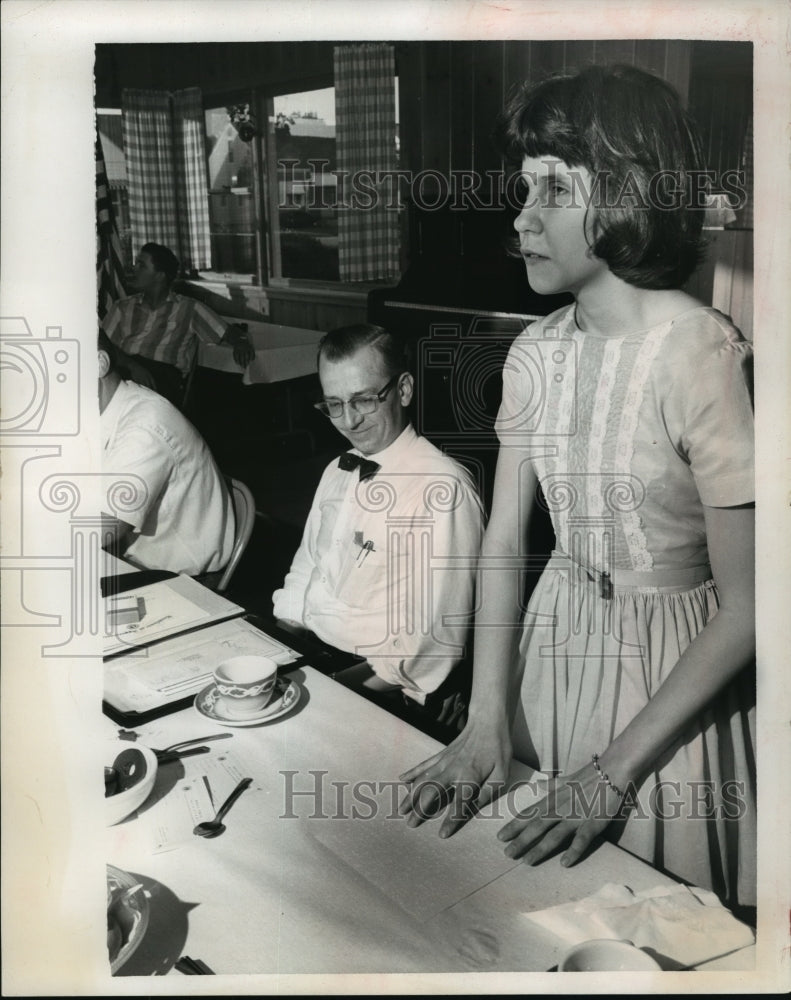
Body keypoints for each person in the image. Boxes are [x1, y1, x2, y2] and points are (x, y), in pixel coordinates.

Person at [400, 64, 756, 910]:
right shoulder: (533, 351)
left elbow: (753, 606)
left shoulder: (701, 353)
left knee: (641, 918)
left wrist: (612, 773)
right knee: (521, 904)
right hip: (548, 649)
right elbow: (500, 543)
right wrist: (486, 714)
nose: (521, 217)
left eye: (552, 189)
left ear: (630, 192)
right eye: (522, 188)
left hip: (665, 684)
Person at [272, 324, 485, 736]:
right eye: (333, 404)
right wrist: (280, 649)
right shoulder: (338, 469)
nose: (348, 420)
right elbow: (305, 571)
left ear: (403, 390)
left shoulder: (441, 491)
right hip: (314, 655)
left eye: (363, 400)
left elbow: (425, 647)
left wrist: (327, 692)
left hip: (383, 686)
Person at [99, 330, 235, 576]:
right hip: (131, 560)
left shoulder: (144, 425)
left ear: (100, 364)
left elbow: (106, 525)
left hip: (177, 579)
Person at [101, 242, 254, 406]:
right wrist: (132, 366)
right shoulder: (122, 307)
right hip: (124, 369)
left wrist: (241, 342)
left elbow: (227, 332)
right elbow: (102, 344)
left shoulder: (189, 308)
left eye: (142, 265)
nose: (134, 269)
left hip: (161, 377)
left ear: (160, 276)